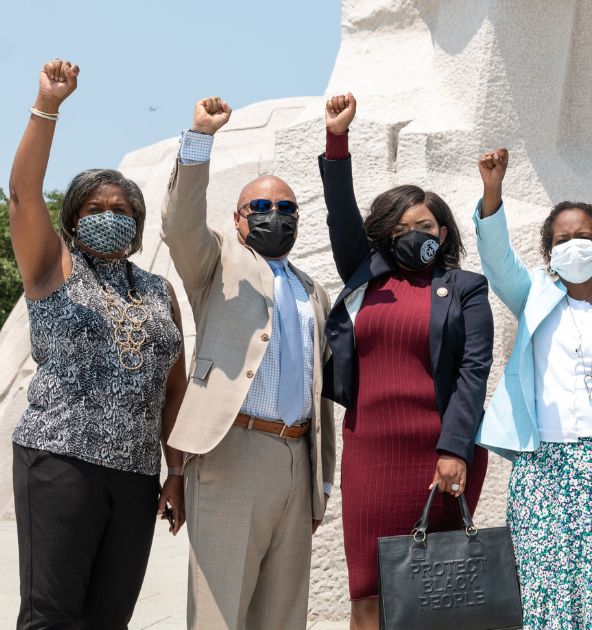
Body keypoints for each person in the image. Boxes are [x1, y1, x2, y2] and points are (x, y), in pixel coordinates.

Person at [8, 59, 187, 628]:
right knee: (51, 615)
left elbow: (174, 390)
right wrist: (49, 107)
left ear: (137, 225)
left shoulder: (159, 291)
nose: (109, 218)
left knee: (110, 618)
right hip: (60, 461)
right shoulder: (52, 267)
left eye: (121, 212)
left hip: (135, 476)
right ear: (72, 219)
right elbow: (21, 194)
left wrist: (175, 472)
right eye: (95, 210)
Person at [318, 93, 494, 630]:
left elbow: (472, 373)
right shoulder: (364, 274)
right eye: (404, 228)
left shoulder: (465, 287)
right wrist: (337, 137)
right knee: (368, 594)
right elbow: (340, 210)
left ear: (444, 233)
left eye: (429, 225)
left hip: (441, 453)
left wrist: (454, 450)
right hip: (370, 450)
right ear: (386, 234)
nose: (419, 235)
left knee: (436, 598)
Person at [161, 95, 337, 629]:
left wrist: (319, 480)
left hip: (295, 459)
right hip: (231, 451)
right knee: (221, 613)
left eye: (286, 209)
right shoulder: (216, 265)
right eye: (260, 208)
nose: (274, 216)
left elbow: (319, 388)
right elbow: (180, 223)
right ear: (238, 220)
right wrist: (200, 139)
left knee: (282, 616)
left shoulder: (313, 292)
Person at [474, 147, 592, 629]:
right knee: (550, 595)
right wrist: (492, 192)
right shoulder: (533, 294)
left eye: (583, 236)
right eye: (561, 240)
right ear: (548, 253)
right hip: (545, 471)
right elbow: (498, 262)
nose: (572, 246)